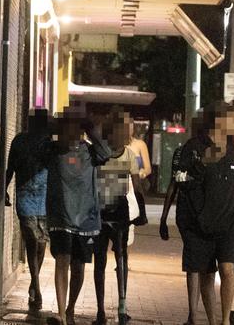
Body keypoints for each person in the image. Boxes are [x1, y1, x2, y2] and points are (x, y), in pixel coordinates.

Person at [173, 103, 234, 325]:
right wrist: (202, 163)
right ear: (218, 121)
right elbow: (180, 179)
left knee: (227, 268)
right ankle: (211, 319)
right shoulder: (194, 147)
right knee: (206, 272)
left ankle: (226, 320)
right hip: (200, 222)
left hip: (229, 220)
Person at [42, 104, 111, 325]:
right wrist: (54, 126)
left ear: (81, 129)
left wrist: (91, 127)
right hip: (61, 218)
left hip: (85, 220)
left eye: (75, 126)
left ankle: (70, 308)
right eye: (66, 126)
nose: (70, 131)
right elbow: (38, 146)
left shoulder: (90, 151)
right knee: (62, 261)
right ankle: (61, 315)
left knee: (79, 267)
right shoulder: (52, 150)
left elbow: (107, 153)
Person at [93, 110, 137, 324]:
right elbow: (138, 187)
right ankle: (121, 306)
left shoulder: (99, 152)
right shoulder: (129, 154)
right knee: (121, 258)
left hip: (101, 211)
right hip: (119, 211)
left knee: (100, 261)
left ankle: (101, 310)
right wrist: (143, 213)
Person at [5, 109, 50, 310]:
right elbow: (10, 167)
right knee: (33, 242)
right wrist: (4, 188)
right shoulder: (20, 141)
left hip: (45, 198)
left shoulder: (49, 142)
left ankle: (35, 281)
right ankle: (37, 286)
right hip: (27, 197)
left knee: (39, 243)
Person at [159, 142, 203, 325]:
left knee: (197, 265)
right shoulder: (183, 152)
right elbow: (174, 183)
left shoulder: (182, 151)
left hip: (194, 215)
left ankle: (195, 315)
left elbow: (173, 184)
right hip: (191, 216)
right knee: (196, 264)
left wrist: (164, 218)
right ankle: (194, 315)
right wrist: (163, 218)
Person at [128, 122, 152, 226]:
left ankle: (142, 214)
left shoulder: (140, 144)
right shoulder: (114, 145)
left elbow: (148, 169)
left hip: (135, 181)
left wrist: (142, 173)